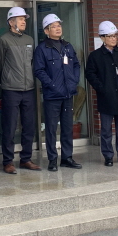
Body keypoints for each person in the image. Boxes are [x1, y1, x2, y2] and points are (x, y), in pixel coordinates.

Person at [0, 7, 40, 174]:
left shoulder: (29, 39)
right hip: (11, 89)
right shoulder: (2, 41)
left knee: (29, 125)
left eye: (24, 19)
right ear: (11, 22)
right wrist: (4, 81)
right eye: (20, 19)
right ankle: (8, 161)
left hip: (29, 88)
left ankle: (26, 159)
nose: (24, 21)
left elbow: (32, 63)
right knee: (10, 126)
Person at [33, 14, 82, 172]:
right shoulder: (42, 49)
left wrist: (74, 81)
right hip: (52, 95)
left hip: (68, 94)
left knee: (67, 128)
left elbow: (76, 65)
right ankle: (52, 159)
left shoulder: (68, 46)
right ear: (46, 31)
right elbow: (39, 70)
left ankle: (67, 158)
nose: (58, 28)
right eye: (53, 26)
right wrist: (52, 85)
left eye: (59, 25)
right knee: (51, 129)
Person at [86, 21, 118, 166]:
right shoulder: (95, 56)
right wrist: (102, 89)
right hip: (106, 98)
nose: (113, 39)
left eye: (115, 36)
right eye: (110, 36)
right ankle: (108, 156)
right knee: (106, 130)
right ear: (102, 38)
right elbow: (90, 74)